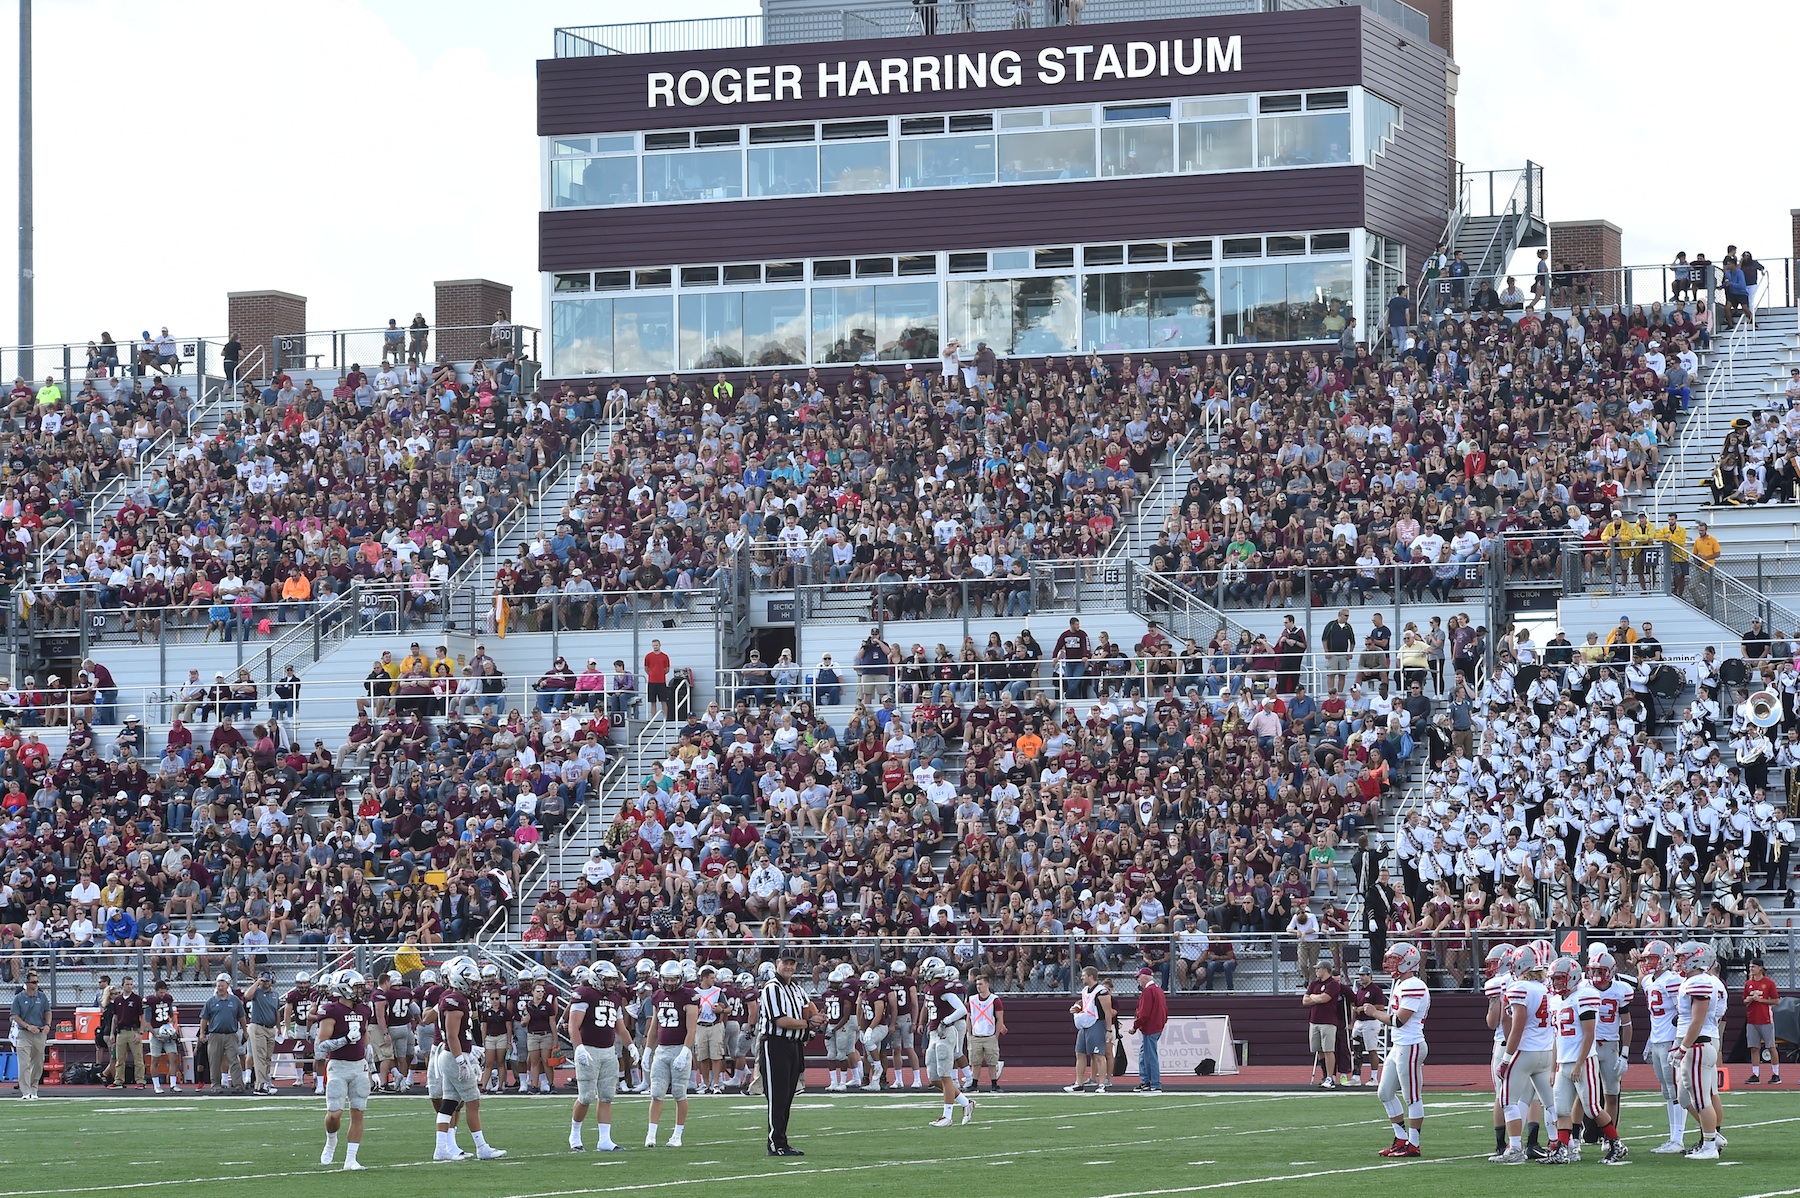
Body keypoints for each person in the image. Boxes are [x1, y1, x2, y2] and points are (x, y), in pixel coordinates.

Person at [1544, 957, 1625, 1165]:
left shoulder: (1585, 996)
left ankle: (1617, 1144)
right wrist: (1554, 1067)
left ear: (1571, 977)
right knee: (1562, 1109)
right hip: (1563, 1062)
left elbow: (1589, 1034)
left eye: (1560, 978)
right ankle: (1561, 1151)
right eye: (1554, 979)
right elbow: (1556, 1037)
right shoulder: (1555, 1001)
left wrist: (1579, 1064)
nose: (1556, 983)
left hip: (1584, 1061)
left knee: (1592, 1109)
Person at [431, 955, 506, 1161]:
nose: (475, 986)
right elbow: (452, 1034)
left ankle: (440, 1149)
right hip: (452, 1055)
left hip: (452, 1054)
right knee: (473, 1102)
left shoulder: (457, 998)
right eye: (472, 982)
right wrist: (460, 1059)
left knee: (449, 1103)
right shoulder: (455, 1001)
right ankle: (482, 1147)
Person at [1362, 943, 1428, 1158]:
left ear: (1408, 962)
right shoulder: (1401, 983)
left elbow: (1399, 1021)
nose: (1390, 964)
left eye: (1394, 960)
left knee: (1412, 1097)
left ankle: (1413, 1144)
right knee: (1384, 1092)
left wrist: (1374, 1013)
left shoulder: (1414, 985)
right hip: (1400, 1045)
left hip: (1410, 1044)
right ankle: (1401, 1139)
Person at [1493, 940, 1555, 1163]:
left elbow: (1517, 1027)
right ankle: (1559, 1144)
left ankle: (1515, 1149)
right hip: (1546, 1050)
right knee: (1551, 1103)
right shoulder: (1548, 988)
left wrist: (1506, 1059)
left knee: (1507, 1100)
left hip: (1525, 1052)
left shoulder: (1520, 988)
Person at [757, 948, 821, 1156]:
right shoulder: (771, 988)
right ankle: (775, 1143)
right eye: (786, 962)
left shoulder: (796, 989)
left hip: (794, 1045)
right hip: (775, 1044)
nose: (789, 966)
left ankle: (782, 1141)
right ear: (778, 963)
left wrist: (818, 1018)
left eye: (792, 963)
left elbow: (809, 1008)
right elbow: (780, 1020)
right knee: (777, 1096)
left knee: (787, 1097)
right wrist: (807, 1023)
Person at [568, 961, 633, 1152]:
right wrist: (579, 1048)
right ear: (597, 978)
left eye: (613, 979)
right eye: (608, 979)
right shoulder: (584, 993)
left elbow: (620, 1027)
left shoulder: (614, 997)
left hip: (608, 1051)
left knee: (606, 1096)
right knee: (586, 1097)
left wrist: (631, 1046)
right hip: (589, 1050)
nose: (612, 983)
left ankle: (604, 1140)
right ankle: (575, 1134)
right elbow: (573, 1025)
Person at [1673, 941, 1729, 1159]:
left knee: (1701, 1098)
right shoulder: (1702, 981)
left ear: (1695, 958)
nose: (1678, 962)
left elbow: (1698, 1020)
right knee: (1688, 1097)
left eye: (1682, 957)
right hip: (1701, 1041)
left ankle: (1709, 1145)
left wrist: (1682, 1047)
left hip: (1698, 1043)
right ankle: (1712, 1136)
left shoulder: (1699, 982)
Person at [317, 969, 374, 1171]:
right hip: (338, 1066)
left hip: (359, 1066)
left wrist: (372, 1068)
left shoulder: (364, 1010)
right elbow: (321, 1046)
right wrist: (345, 1040)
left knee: (358, 1112)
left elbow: (366, 1041)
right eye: (357, 987)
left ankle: (351, 1159)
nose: (361, 991)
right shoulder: (330, 1010)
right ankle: (331, 1140)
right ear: (344, 987)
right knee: (335, 1113)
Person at [1638, 940, 1691, 1153]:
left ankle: (1679, 1138)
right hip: (1658, 1039)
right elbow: (1655, 1016)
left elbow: (1683, 1013)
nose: (1649, 962)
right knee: (1666, 1090)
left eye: (1653, 958)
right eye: (1647, 958)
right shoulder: (1648, 982)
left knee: (1676, 1089)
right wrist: (1650, 1040)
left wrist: (1680, 1042)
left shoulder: (1673, 981)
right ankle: (1674, 1137)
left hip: (1670, 1039)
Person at [646, 959, 697, 1148]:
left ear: (680, 978)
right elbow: (653, 1027)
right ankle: (651, 1134)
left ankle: (677, 1135)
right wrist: (648, 1051)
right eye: (666, 979)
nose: (669, 983)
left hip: (679, 1049)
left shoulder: (689, 996)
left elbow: (692, 1029)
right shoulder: (657, 996)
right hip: (662, 1050)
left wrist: (685, 1052)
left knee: (678, 1092)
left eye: (673, 979)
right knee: (657, 1092)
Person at [919, 957, 975, 1126]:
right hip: (934, 1033)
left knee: (945, 1076)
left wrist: (946, 1021)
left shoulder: (944, 987)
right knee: (934, 1078)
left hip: (945, 1033)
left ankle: (947, 1116)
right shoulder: (929, 987)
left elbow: (961, 1009)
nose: (922, 972)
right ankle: (966, 1103)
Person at [1064, 965, 1113, 1093]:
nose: (1081, 977)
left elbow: (1107, 1012)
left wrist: (1108, 1030)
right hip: (1085, 1024)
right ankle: (1078, 1083)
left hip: (1097, 1023)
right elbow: (1084, 1002)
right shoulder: (1085, 990)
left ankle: (1102, 1084)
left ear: (1091, 976)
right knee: (1080, 1053)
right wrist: (1076, 1006)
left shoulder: (1102, 991)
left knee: (1098, 1055)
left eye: (1084, 975)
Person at [200, 974, 247, 1094]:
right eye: (218, 985)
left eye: (222, 985)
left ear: (227, 985)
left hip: (231, 1034)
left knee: (234, 1060)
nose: (220, 988)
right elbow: (204, 1018)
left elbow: (241, 1017)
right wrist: (202, 1033)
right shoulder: (211, 1001)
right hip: (215, 1035)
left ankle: (238, 1085)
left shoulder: (235, 1000)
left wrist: (245, 1031)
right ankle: (215, 1085)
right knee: (214, 1061)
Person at [1302, 957, 1345, 1088]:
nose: (1316, 971)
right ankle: (1325, 1075)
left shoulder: (1333, 984)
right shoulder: (1314, 984)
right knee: (1319, 1050)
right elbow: (1305, 1000)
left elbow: (1324, 998)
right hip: (1314, 1021)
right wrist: (1317, 998)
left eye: (1318, 969)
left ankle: (1331, 1077)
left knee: (1328, 1050)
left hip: (1328, 1021)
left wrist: (1314, 997)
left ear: (1325, 970)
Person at [10, 969, 49, 1100]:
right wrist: (27, 1026)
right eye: (33, 982)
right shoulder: (19, 998)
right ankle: (25, 1091)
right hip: (24, 1033)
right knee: (24, 1063)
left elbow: (48, 1011)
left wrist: (48, 1025)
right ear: (27, 983)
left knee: (38, 1062)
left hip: (39, 1032)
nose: (36, 984)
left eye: (37, 982)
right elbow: (14, 1015)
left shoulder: (42, 996)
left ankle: (34, 1088)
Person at [967, 972, 1007, 1093]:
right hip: (976, 1035)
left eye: (981, 984)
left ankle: (994, 1084)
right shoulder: (972, 999)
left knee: (992, 1061)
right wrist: (969, 1033)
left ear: (987, 984)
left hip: (989, 1035)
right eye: (977, 984)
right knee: (975, 1061)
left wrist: (996, 1035)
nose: (979, 986)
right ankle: (974, 1083)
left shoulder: (994, 1000)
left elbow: (1000, 1018)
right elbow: (969, 1017)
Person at [245, 971, 283, 1095]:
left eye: (268, 980)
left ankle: (265, 1082)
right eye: (264, 980)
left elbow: (276, 1012)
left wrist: (279, 1028)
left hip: (271, 1028)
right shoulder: (256, 992)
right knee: (260, 1057)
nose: (266, 983)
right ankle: (259, 1085)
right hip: (258, 1027)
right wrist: (257, 982)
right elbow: (247, 995)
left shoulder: (275, 994)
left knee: (267, 1058)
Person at [1744, 960, 1781, 1085]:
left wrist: (1761, 1000)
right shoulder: (1748, 983)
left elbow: (1776, 1001)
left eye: (1753, 966)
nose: (1751, 969)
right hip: (1752, 1019)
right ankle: (1755, 1074)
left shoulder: (1769, 983)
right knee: (1754, 1047)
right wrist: (1749, 999)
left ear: (1760, 968)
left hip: (1765, 1019)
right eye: (1750, 967)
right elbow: (1745, 1000)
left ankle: (1776, 1074)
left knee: (1770, 1046)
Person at [106, 976, 147, 1088]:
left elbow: (142, 1017)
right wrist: (112, 1033)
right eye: (127, 984)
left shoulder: (137, 999)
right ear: (123, 985)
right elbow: (115, 1017)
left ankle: (140, 1081)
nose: (129, 986)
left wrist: (140, 1032)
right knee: (120, 1058)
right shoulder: (118, 1000)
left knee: (138, 1058)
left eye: (131, 984)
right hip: (121, 1031)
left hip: (133, 1031)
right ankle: (118, 1080)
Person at [1130, 967, 1165, 1094]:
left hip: (1150, 1028)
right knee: (1144, 1054)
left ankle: (1154, 1083)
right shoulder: (1158, 990)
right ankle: (1147, 1081)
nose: (1138, 980)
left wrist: (1135, 1026)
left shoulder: (1148, 991)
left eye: (1139, 977)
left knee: (1150, 1056)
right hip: (1156, 1027)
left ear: (1144, 977)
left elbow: (1143, 1013)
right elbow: (1164, 1010)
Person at [645, 640, 673, 721]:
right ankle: (653, 719)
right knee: (652, 702)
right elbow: (646, 668)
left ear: (660, 645)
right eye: (654, 645)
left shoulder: (664, 656)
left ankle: (665, 719)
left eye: (656, 645)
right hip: (651, 682)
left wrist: (660, 674)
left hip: (661, 682)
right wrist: (651, 674)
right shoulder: (648, 656)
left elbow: (667, 669)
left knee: (663, 701)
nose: (655, 646)